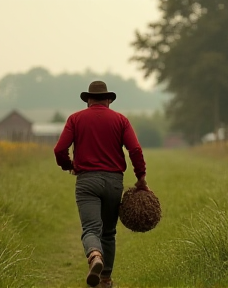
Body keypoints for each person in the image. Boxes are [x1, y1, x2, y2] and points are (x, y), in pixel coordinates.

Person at [54, 80, 148, 288]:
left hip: (87, 181)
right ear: (108, 100)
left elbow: (59, 149)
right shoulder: (121, 120)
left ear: (88, 100)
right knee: (108, 232)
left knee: (90, 229)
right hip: (114, 181)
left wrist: (69, 165)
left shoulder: (75, 119)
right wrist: (141, 177)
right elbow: (135, 150)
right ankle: (105, 280)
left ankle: (95, 256)